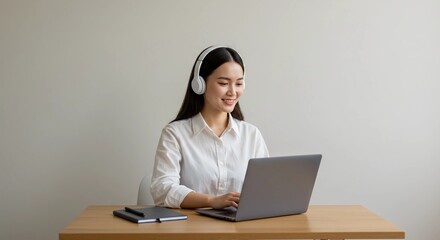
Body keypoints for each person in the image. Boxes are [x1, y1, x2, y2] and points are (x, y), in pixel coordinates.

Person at [150, 45, 269, 209]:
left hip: (240, 231)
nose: (233, 92)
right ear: (200, 84)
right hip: (190, 229)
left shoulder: (251, 134)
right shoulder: (175, 134)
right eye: (223, 83)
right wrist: (212, 201)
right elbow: (162, 190)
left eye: (239, 83)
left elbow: (265, 189)